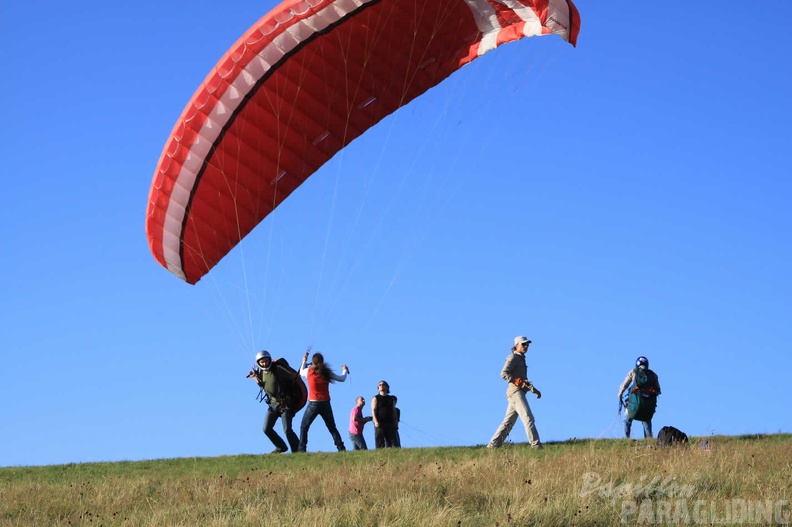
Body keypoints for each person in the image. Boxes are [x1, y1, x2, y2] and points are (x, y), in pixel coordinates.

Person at [487, 336, 543, 449]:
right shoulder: (513, 358)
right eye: (524, 344)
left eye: (527, 344)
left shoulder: (521, 359)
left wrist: (534, 390)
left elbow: (523, 381)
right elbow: (504, 373)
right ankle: (536, 445)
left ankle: (493, 445)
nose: (526, 346)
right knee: (528, 418)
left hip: (518, 393)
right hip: (515, 393)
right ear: (517, 345)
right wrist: (516, 381)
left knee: (508, 422)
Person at [247, 350, 300, 453]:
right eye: (262, 362)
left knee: (287, 429)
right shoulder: (261, 372)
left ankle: (298, 451)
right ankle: (281, 447)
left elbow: (291, 379)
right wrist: (255, 378)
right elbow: (266, 385)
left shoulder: (277, 369)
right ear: (258, 363)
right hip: (273, 404)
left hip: (286, 403)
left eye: (266, 361)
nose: (264, 363)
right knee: (266, 428)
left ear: (270, 360)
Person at [298, 351, 348, 452]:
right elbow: (342, 378)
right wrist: (345, 370)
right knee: (332, 427)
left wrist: (304, 360)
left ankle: (302, 449)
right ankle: (341, 447)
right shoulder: (326, 373)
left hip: (313, 403)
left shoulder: (308, 372)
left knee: (304, 426)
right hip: (325, 403)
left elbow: (300, 371)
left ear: (312, 362)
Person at [618, 356, 661, 439]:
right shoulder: (653, 375)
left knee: (627, 419)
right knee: (646, 420)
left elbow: (625, 384)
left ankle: (627, 439)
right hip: (647, 405)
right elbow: (658, 390)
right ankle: (649, 441)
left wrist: (620, 393)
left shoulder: (634, 372)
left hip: (634, 404)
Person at [371, 380, 399, 448]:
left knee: (393, 442)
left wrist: (396, 422)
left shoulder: (390, 398)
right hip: (380, 423)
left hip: (390, 423)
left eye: (383, 384)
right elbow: (373, 410)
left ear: (387, 387)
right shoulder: (376, 398)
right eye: (379, 385)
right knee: (380, 442)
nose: (381, 386)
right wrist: (376, 421)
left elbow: (393, 410)